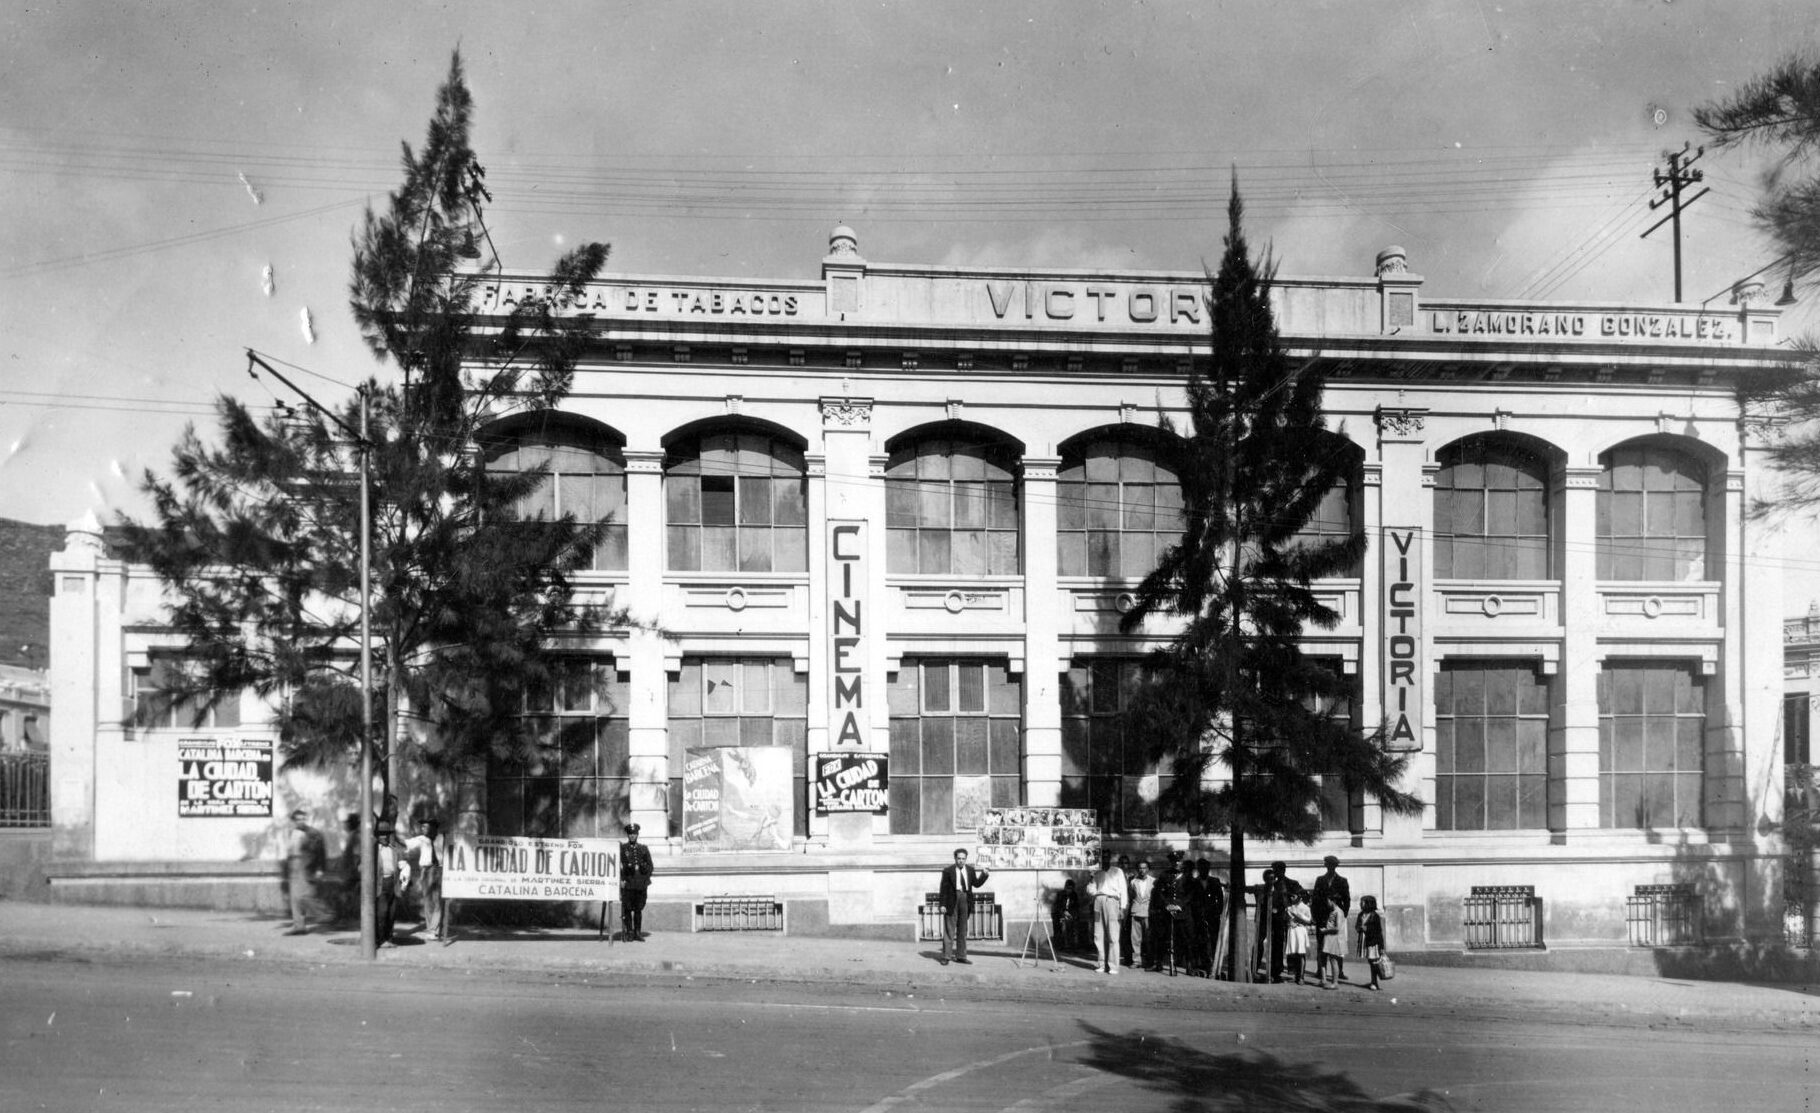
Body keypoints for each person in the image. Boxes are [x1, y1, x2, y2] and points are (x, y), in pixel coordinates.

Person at [936, 847, 991, 965]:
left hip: (965, 899)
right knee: (949, 929)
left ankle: (961, 956)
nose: (961, 861)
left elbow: (976, 884)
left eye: (963, 859)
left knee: (962, 929)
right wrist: (942, 904)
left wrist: (984, 875)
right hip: (952, 900)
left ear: (966, 859)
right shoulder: (948, 871)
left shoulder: (970, 870)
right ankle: (946, 956)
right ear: (955, 858)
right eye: (959, 858)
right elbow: (943, 889)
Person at [280, 808, 327, 935]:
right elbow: (289, 852)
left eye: (302, 819)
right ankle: (299, 926)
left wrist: (320, 869)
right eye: (297, 819)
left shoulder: (313, 833)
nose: (300, 821)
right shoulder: (291, 833)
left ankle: (324, 914)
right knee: (295, 898)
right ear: (293, 821)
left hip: (305, 866)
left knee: (304, 895)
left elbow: (320, 852)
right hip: (293, 865)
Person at [404, 816, 446, 941]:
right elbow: (406, 844)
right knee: (428, 901)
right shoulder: (421, 839)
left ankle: (435, 930)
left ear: (434, 828)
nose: (422, 829)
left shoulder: (443, 838)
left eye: (425, 826)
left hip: (439, 869)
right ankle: (431, 929)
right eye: (422, 826)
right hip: (426, 871)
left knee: (438, 900)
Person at [1312, 855, 1352, 981]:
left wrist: (1343, 915)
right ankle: (1320, 970)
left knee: (1337, 944)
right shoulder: (1320, 880)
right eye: (1327, 864)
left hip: (1336, 917)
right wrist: (1315, 916)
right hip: (1322, 917)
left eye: (1332, 864)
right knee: (1321, 944)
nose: (1329, 867)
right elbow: (1315, 899)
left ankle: (1339, 971)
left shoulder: (1342, 881)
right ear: (1325, 865)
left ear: (1335, 866)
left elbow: (1347, 900)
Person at [1087, 853, 1127, 974]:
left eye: (1106, 857)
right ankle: (1101, 964)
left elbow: (1123, 890)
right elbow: (1090, 891)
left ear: (1109, 859)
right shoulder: (1097, 872)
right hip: (1098, 902)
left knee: (1113, 934)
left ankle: (1113, 966)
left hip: (1112, 901)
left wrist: (1123, 908)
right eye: (1101, 857)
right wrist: (1091, 878)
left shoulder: (1117, 871)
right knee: (1098, 934)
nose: (1104, 860)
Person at [372, 820, 406, 947]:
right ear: (377, 835)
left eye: (386, 834)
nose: (384, 836)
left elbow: (401, 863)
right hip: (380, 884)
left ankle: (389, 938)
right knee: (381, 913)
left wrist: (404, 869)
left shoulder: (394, 849)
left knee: (391, 913)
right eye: (381, 834)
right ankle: (380, 940)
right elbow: (361, 865)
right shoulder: (373, 850)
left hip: (393, 883)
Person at [620, 823, 655, 941]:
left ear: (637, 835)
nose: (632, 836)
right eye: (630, 834)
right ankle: (629, 932)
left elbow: (650, 867)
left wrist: (645, 878)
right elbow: (618, 867)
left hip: (640, 884)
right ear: (627, 835)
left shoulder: (643, 849)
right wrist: (621, 881)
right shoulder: (623, 849)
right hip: (628, 883)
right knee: (628, 909)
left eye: (634, 834)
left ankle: (637, 933)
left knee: (638, 909)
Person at [1356, 894, 1387, 991]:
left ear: (1368, 904)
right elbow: (1357, 926)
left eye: (1362, 902)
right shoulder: (1361, 915)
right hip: (1363, 941)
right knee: (1371, 961)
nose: (1360, 904)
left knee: (1373, 961)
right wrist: (1359, 928)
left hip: (1372, 942)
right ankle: (1374, 981)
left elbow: (1378, 931)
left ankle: (1374, 982)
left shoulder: (1375, 916)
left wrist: (1381, 946)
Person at [1127, 859, 1154, 969]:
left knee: (1148, 938)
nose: (1142, 870)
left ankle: (1149, 961)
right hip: (1136, 910)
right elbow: (1131, 895)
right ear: (1137, 869)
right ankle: (1136, 961)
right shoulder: (1133, 881)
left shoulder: (1153, 881)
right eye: (1140, 868)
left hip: (1148, 911)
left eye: (1144, 868)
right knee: (1135, 938)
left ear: (1148, 869)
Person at [336, 814, 361, 924]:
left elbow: (356, 854)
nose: (345, 825)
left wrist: (354, 870)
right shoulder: (352, 835)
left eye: (347, 823)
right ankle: (348, 918)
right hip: (350, 871)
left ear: (351, 824)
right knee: (348, 894)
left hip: (352, 872)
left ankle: (348, 918)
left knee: (347, 895)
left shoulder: (355, 836)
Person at [1313, 894, 1343, 989]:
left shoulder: (1338, 912)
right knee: (1322, 958)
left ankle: (1335, 982)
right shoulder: (1332, 911)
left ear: (1332, 901)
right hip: (1327, 937)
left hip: (1333, 938)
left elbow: (1337, 928)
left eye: (1328, 901)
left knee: (1333, 960)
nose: (1327, 903)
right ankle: (1323, 980)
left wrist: (1325, 930)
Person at [1285, 889, 1313, 985]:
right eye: (1291, 896)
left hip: (1301, 931)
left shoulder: (1305, 908)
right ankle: (1296, 976)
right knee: (1294, 953)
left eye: (1294, 896)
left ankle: (1301, 977)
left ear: (1299, 897)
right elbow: (1287, 919)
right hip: (1292, 931)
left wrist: (1298, 916)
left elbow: (1309, 920)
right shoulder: (1290, 908)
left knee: (1301, 953)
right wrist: (1289, 920)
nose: (1292, 898)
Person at [1050, 878, 1081, 951]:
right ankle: (1059, 946)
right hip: (1059, 914)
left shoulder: (1074, 895)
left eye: (1071, 888)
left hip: (1069, 914)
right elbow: (1058, 906)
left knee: (1072, 925)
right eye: (1068, 888)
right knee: (1060, 926)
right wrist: (1064, 913)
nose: (1069, 890)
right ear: (1065, 887)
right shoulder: (1060, 894)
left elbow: (1076, 907)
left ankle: (1071, 945)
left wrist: (1071, 914)